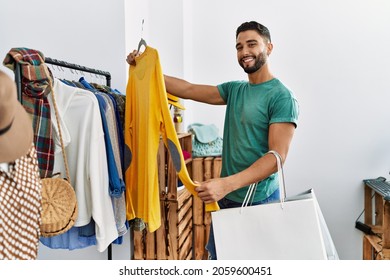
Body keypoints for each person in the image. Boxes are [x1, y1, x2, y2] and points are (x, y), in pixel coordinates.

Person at [127, 21, 299, 260]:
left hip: (259, 201)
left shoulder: (282, 97)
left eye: (252, 44)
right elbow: (188, 88)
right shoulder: (235, 90)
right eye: (239, 47)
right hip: (227, 199)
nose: (244, 52)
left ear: (269, 48)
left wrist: (225, 184)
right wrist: (145, 67)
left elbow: (276, 158)